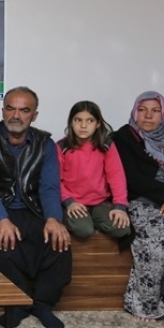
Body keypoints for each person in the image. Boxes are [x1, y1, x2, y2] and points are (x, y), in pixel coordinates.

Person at [0, 86, 72, 328]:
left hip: (35, 207)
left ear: (34, 115)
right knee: (5, 244)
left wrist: (53, 218)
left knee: (59, 243)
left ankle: (42, 305)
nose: (16, 115)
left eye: (24, 110)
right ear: (3, 111)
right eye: (10, 108)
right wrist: (1, 219)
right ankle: (17, 304)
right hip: (2, 206)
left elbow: (49, 186)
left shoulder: (45, 143)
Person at [112, 91, 164, 322]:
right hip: (142, 202)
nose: (148, 116)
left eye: (155, 111)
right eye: (142, 110)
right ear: (135, 112)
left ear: (163, 114)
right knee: (157, 243)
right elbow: (130, 177)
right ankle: (146, 303)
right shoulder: (124, 137)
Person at [56, 101, 130, 239]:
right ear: (71, 122)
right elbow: (55, 179)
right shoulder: (62, 146)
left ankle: (93, 219)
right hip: (73, 202)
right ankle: (79, 220)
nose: (83, 126)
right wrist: (68, 202)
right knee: (84, 230)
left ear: (98, 124)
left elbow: (116, 176)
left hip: (100, 202)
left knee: (122, 229)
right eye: (78, 120)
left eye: (90, 121)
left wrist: (120, 206)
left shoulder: (106, 145)